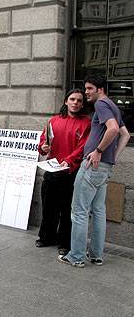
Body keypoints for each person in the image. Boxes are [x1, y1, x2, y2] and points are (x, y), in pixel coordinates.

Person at [58, 75, 130, 268]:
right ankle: (96, 255)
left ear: (100, 89)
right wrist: (112, 156)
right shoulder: (113, 105)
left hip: (92, 166)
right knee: (98, 211)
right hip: (105, 167)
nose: (86, 92)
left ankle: (76, 256)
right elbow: (125, 134)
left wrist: (98, 151)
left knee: (79, 212)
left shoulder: (101, 104)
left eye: (89, 88)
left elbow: (114, 129)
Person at [36, 89, 91, 256]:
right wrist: (43, 147)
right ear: (66, 101)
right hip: (52, 170)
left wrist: (69, 159)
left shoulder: (86, 123)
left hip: (71, 172)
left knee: (68, 210)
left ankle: (64, 242)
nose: (75, 103)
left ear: (82, 104)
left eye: (79, 100)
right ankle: (46, 237)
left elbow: (84, 147)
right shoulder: (53, 121)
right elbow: (43, 143)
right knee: (48, 207)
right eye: (72, 99)